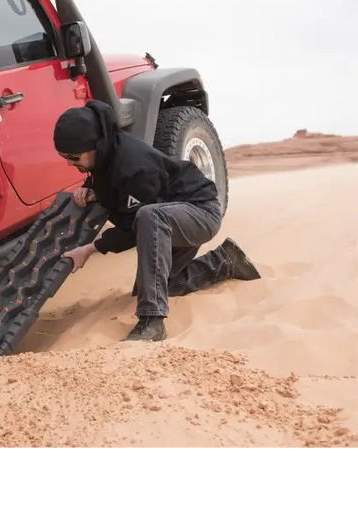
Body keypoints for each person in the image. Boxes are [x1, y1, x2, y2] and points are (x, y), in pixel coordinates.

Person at [55, 99, 261, 343]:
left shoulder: (135, 166)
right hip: (172, 218)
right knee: (161, 284)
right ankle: (226, 261)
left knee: (149, 216)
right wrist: (90, 189)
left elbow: (138, 229)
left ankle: (152, 322)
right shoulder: (105, 154)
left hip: (199, 212)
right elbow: (110, 184)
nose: (69, 163)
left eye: (73, 157)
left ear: (95, 146)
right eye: (64, 157)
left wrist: (90, 249)